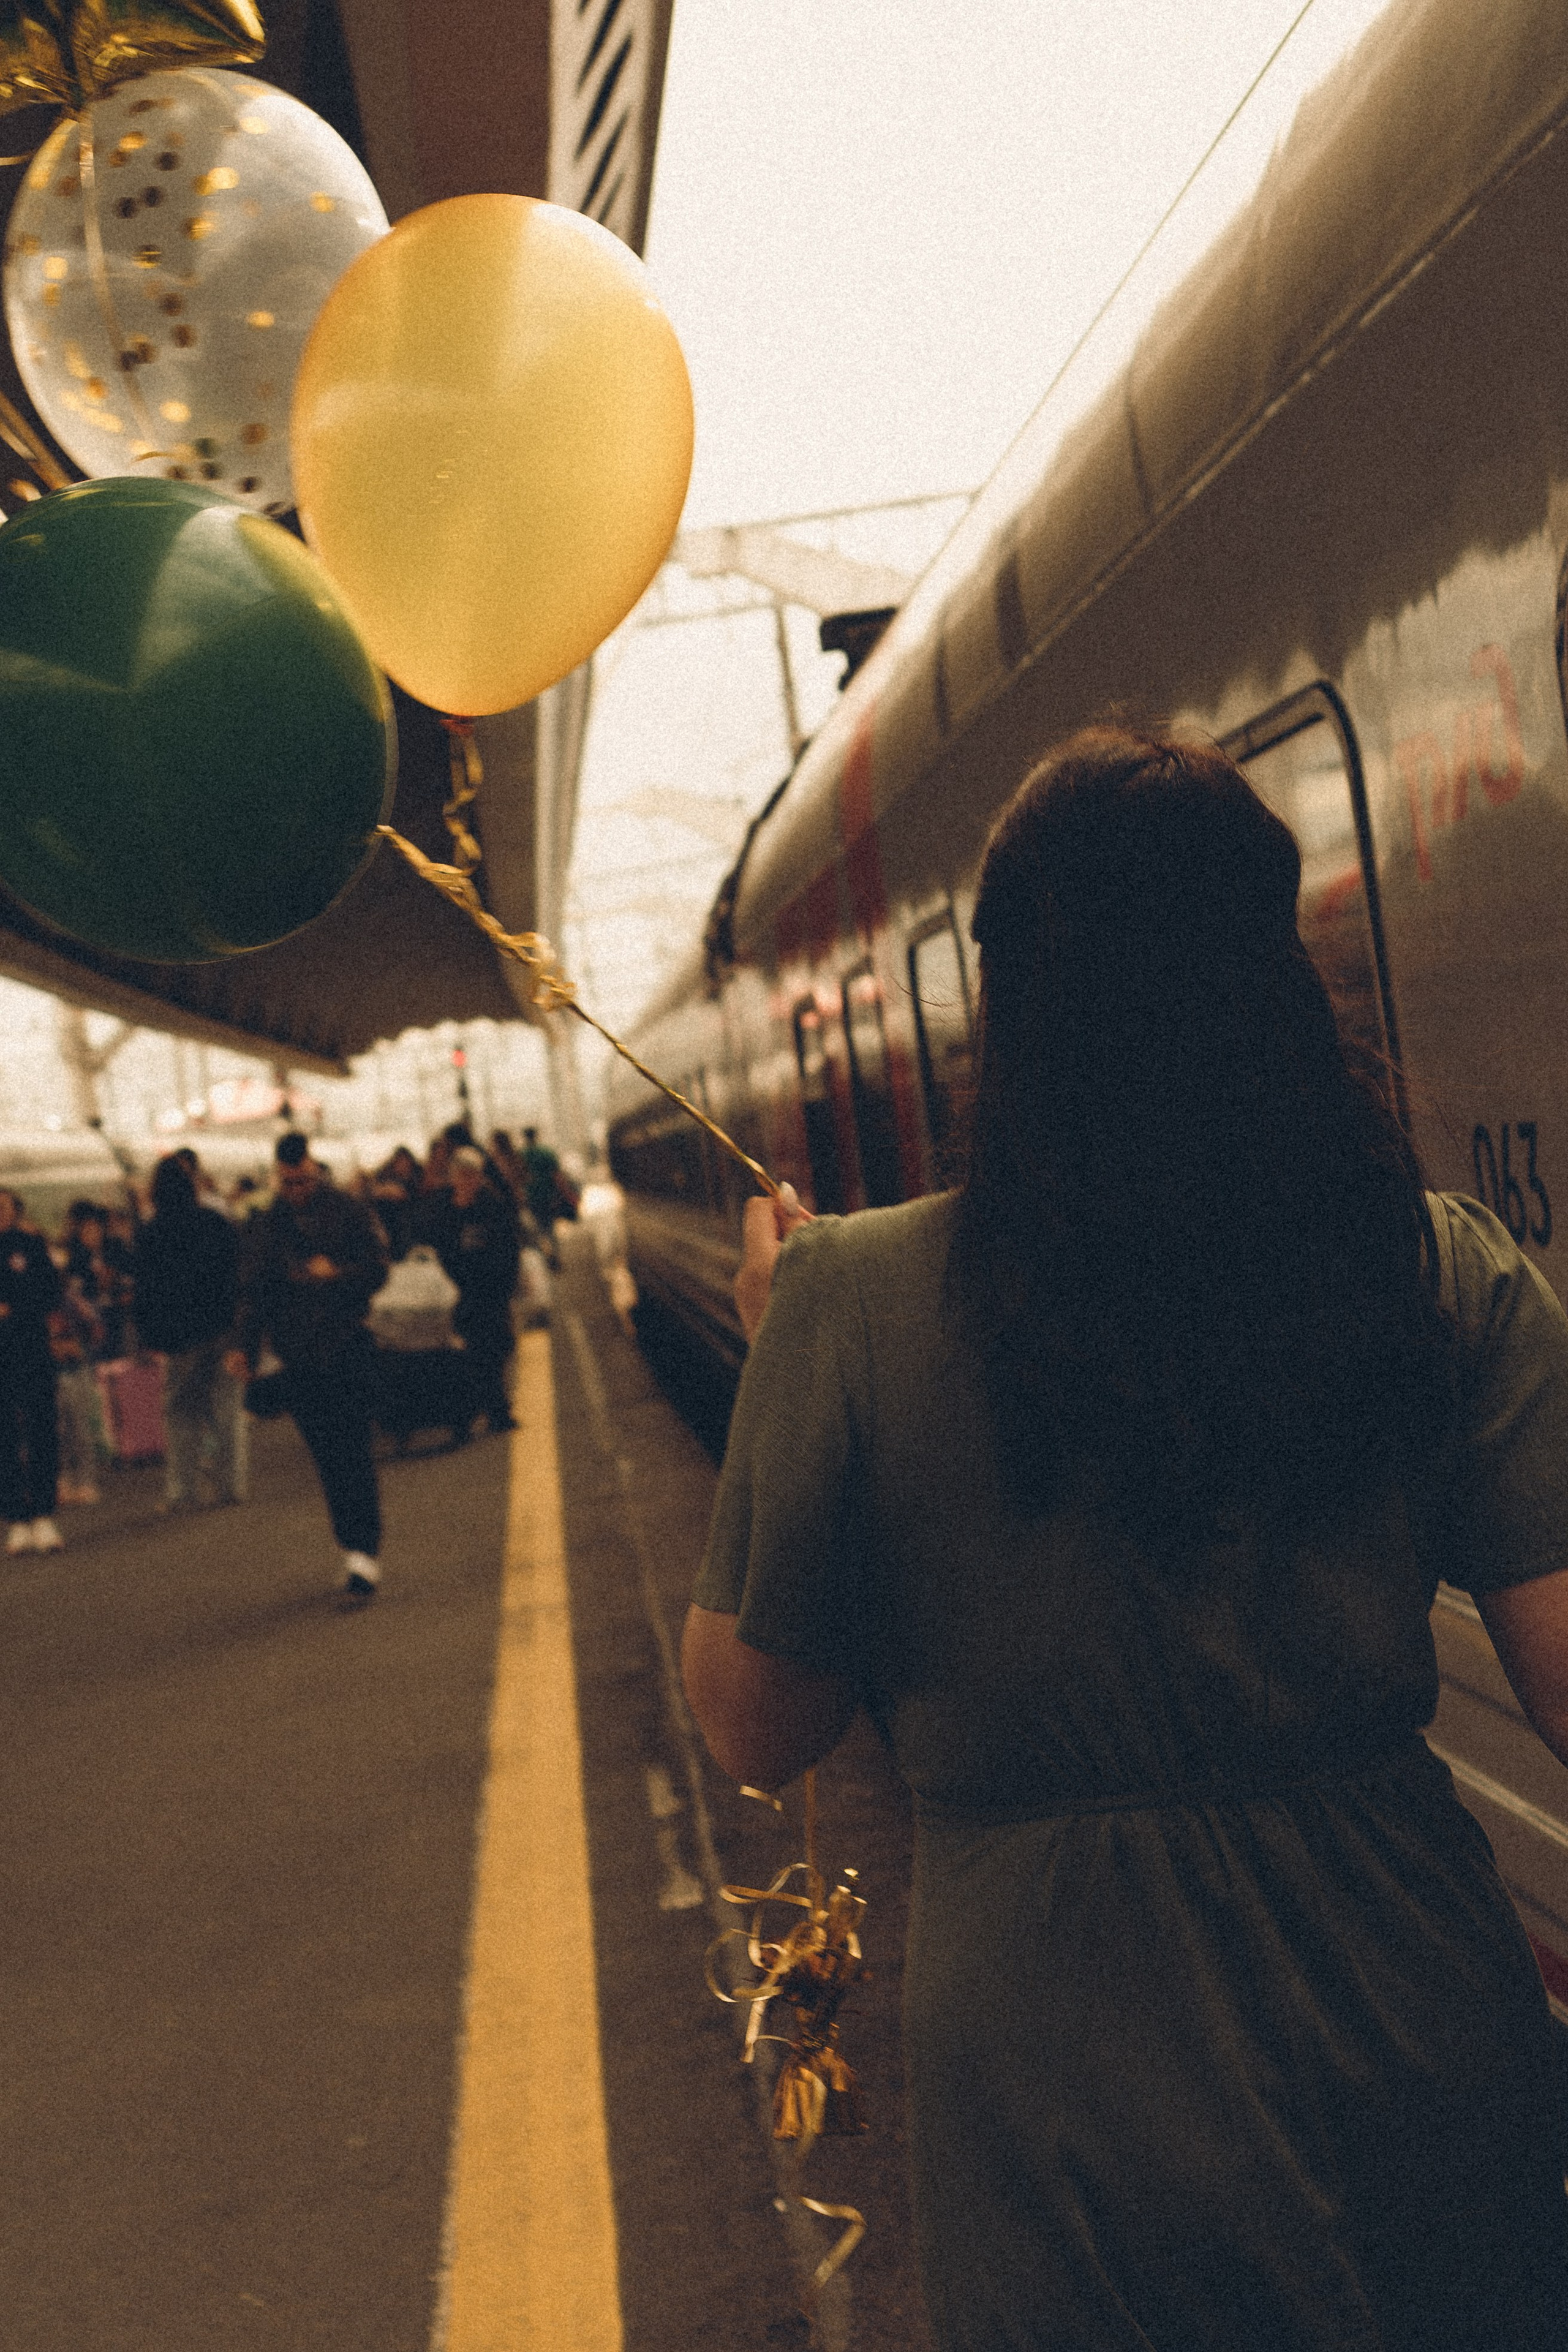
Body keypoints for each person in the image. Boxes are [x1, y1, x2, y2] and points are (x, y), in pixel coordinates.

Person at [684, 728, 1568, 2351]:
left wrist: (785, 1368)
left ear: (1006, 1008)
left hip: (1053, 2073)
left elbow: (759, 1721)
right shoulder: (1437, 1266)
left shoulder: (847, 1305)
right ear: (1277, 973)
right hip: (1413, 2003)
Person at [227, 1133, 390, 1603]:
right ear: (277, 1175)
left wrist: (337, 1274)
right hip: (300, 1361)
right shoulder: (268, 1223)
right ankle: (354, 1548)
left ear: (313, 1170)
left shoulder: (349, 1210)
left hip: (346, 1349)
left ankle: (365, 1554)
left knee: (354, 1453)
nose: (294, 1188)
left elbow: (379, 1268)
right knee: (328, 1459)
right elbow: (253, 1292)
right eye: (287, 1182)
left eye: (301, 1180)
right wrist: (245, 1348)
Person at [133, 1154, 246, 1512]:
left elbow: (146, 1289)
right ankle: (231, 1487)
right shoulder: (215, 1222)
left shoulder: (152, 1232)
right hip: (223, 1329)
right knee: (227, 1409)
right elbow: (237, 1272)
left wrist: (150, 1335)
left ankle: (183, 1491)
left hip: (180, 1338)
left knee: (182, 1413)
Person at [424, 1144, 521, 1433]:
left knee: (495, 1349)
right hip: (457, 1293)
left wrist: (508, 1284)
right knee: (468, 1354)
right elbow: (434, 1245)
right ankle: (477, 1414)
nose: (470, 1182)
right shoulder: (442, 1208)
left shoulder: (492, 1205)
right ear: (453, 1177)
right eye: (464, 1176)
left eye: (474, 1176)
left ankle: (494, 1411)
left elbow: (509, 1247)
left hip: (491, 1290)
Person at [0, 1188, 63, 1553]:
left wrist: (13, 1307)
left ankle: (43, 1513)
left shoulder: (32, 1245)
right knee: (5, 1436)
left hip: (34, 1352)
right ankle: (16, 1518)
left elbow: (50, 1293)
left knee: (42, 1430)